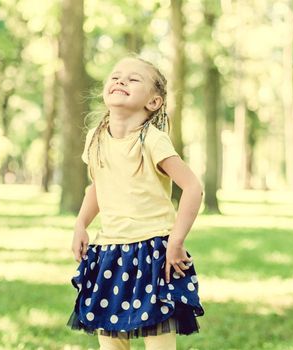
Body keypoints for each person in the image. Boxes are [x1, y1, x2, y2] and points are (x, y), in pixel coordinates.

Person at [66, 56, 205, 350]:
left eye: (133, 79)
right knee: (111, 342)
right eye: (115, 76)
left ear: (154, 102)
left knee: (157, 341)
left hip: (153, 251)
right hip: (109, 252)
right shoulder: (95, 139)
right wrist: (81, 224)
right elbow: (98, 186)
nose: (120, 81)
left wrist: (176, 242)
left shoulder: (152, 140)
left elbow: (193, 187)